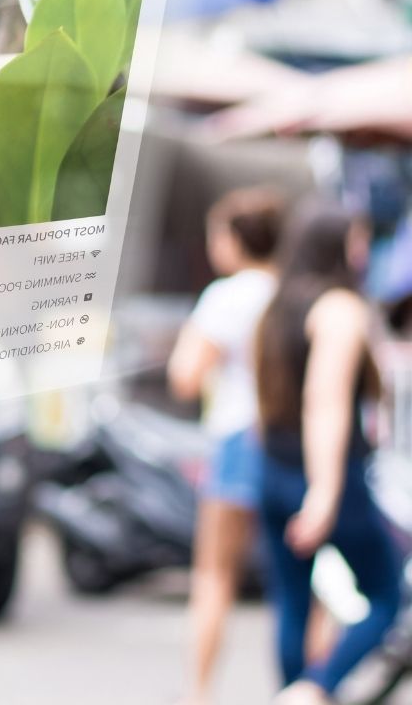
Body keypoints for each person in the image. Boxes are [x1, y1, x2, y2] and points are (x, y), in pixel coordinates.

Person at [256, 203, 403, 704]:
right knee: (388, 594)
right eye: (358, 241)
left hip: (274, 468)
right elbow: (326, 402)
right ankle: (316, 687)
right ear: (336, 245)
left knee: (292, 600)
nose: (363, 253)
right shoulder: (339, 307)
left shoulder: (279, 304)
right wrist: (324, 491)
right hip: (325, 476)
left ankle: (293, 690)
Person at [167, 187, 284, 705]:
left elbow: (185, 377)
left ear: (234, 239)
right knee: (298, 577)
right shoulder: (297, 292)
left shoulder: (226, 296)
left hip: (237, 438)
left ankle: (201, 693)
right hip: (289, 442)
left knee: (216, 574)